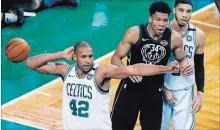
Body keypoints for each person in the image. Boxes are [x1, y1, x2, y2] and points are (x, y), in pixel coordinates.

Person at [26, 40, 180, 129]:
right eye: (83, 57)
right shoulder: (65, 71)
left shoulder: (101, 72)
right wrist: (59, 54)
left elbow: (135, 68)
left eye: (90, 56)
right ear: (74, 57)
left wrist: (166, 68)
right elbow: (31, 63)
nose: (88, 60)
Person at [110, 1, 193, 130]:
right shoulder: (134, 33)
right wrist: (127, 71)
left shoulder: (174, 38)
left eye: (165, 20)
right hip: (130, 89)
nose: (161, 24)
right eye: (157, 19)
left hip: (154, 93)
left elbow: (182, 59)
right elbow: (115, 58)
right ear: (150, 18)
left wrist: (185, 66)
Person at [161, 0, 206, 129]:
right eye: (181, 10)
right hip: (162, 90)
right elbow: (151, 64)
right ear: (174, 10)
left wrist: (200, 94)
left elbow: (199, 66)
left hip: (185, 92)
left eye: (188, 11)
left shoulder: (198, 35)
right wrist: (164, 88)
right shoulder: (162, 31)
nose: (185, 15)